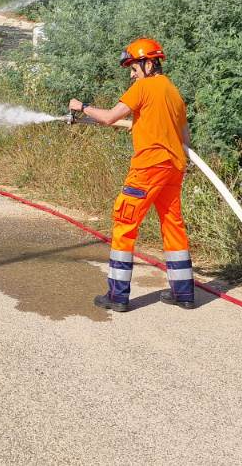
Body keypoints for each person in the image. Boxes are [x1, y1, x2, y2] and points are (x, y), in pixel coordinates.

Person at [69, 37, 194, 312]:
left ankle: (117, 296)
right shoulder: (173, 92)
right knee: (172, 225)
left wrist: (82, 107)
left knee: (125, 223)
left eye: (134, 67)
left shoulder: (143, 87)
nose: (131, 73)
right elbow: (183, 137)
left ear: (149, 64)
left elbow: (109, 117)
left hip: (147, 168)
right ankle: (184, 293)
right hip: (173, 168)